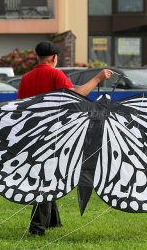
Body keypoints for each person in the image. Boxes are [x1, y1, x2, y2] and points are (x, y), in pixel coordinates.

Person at [17, 41, 113, 237]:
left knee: (46, 174)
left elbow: (20, 107)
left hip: (32, 134)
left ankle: (53, 221)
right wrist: (97, 78)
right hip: (53, 134)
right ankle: (37, 228)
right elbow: (75, 97)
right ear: (54, 58)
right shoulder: (55, 74)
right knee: (46, 179)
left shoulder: (26, 78)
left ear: (37, 56)